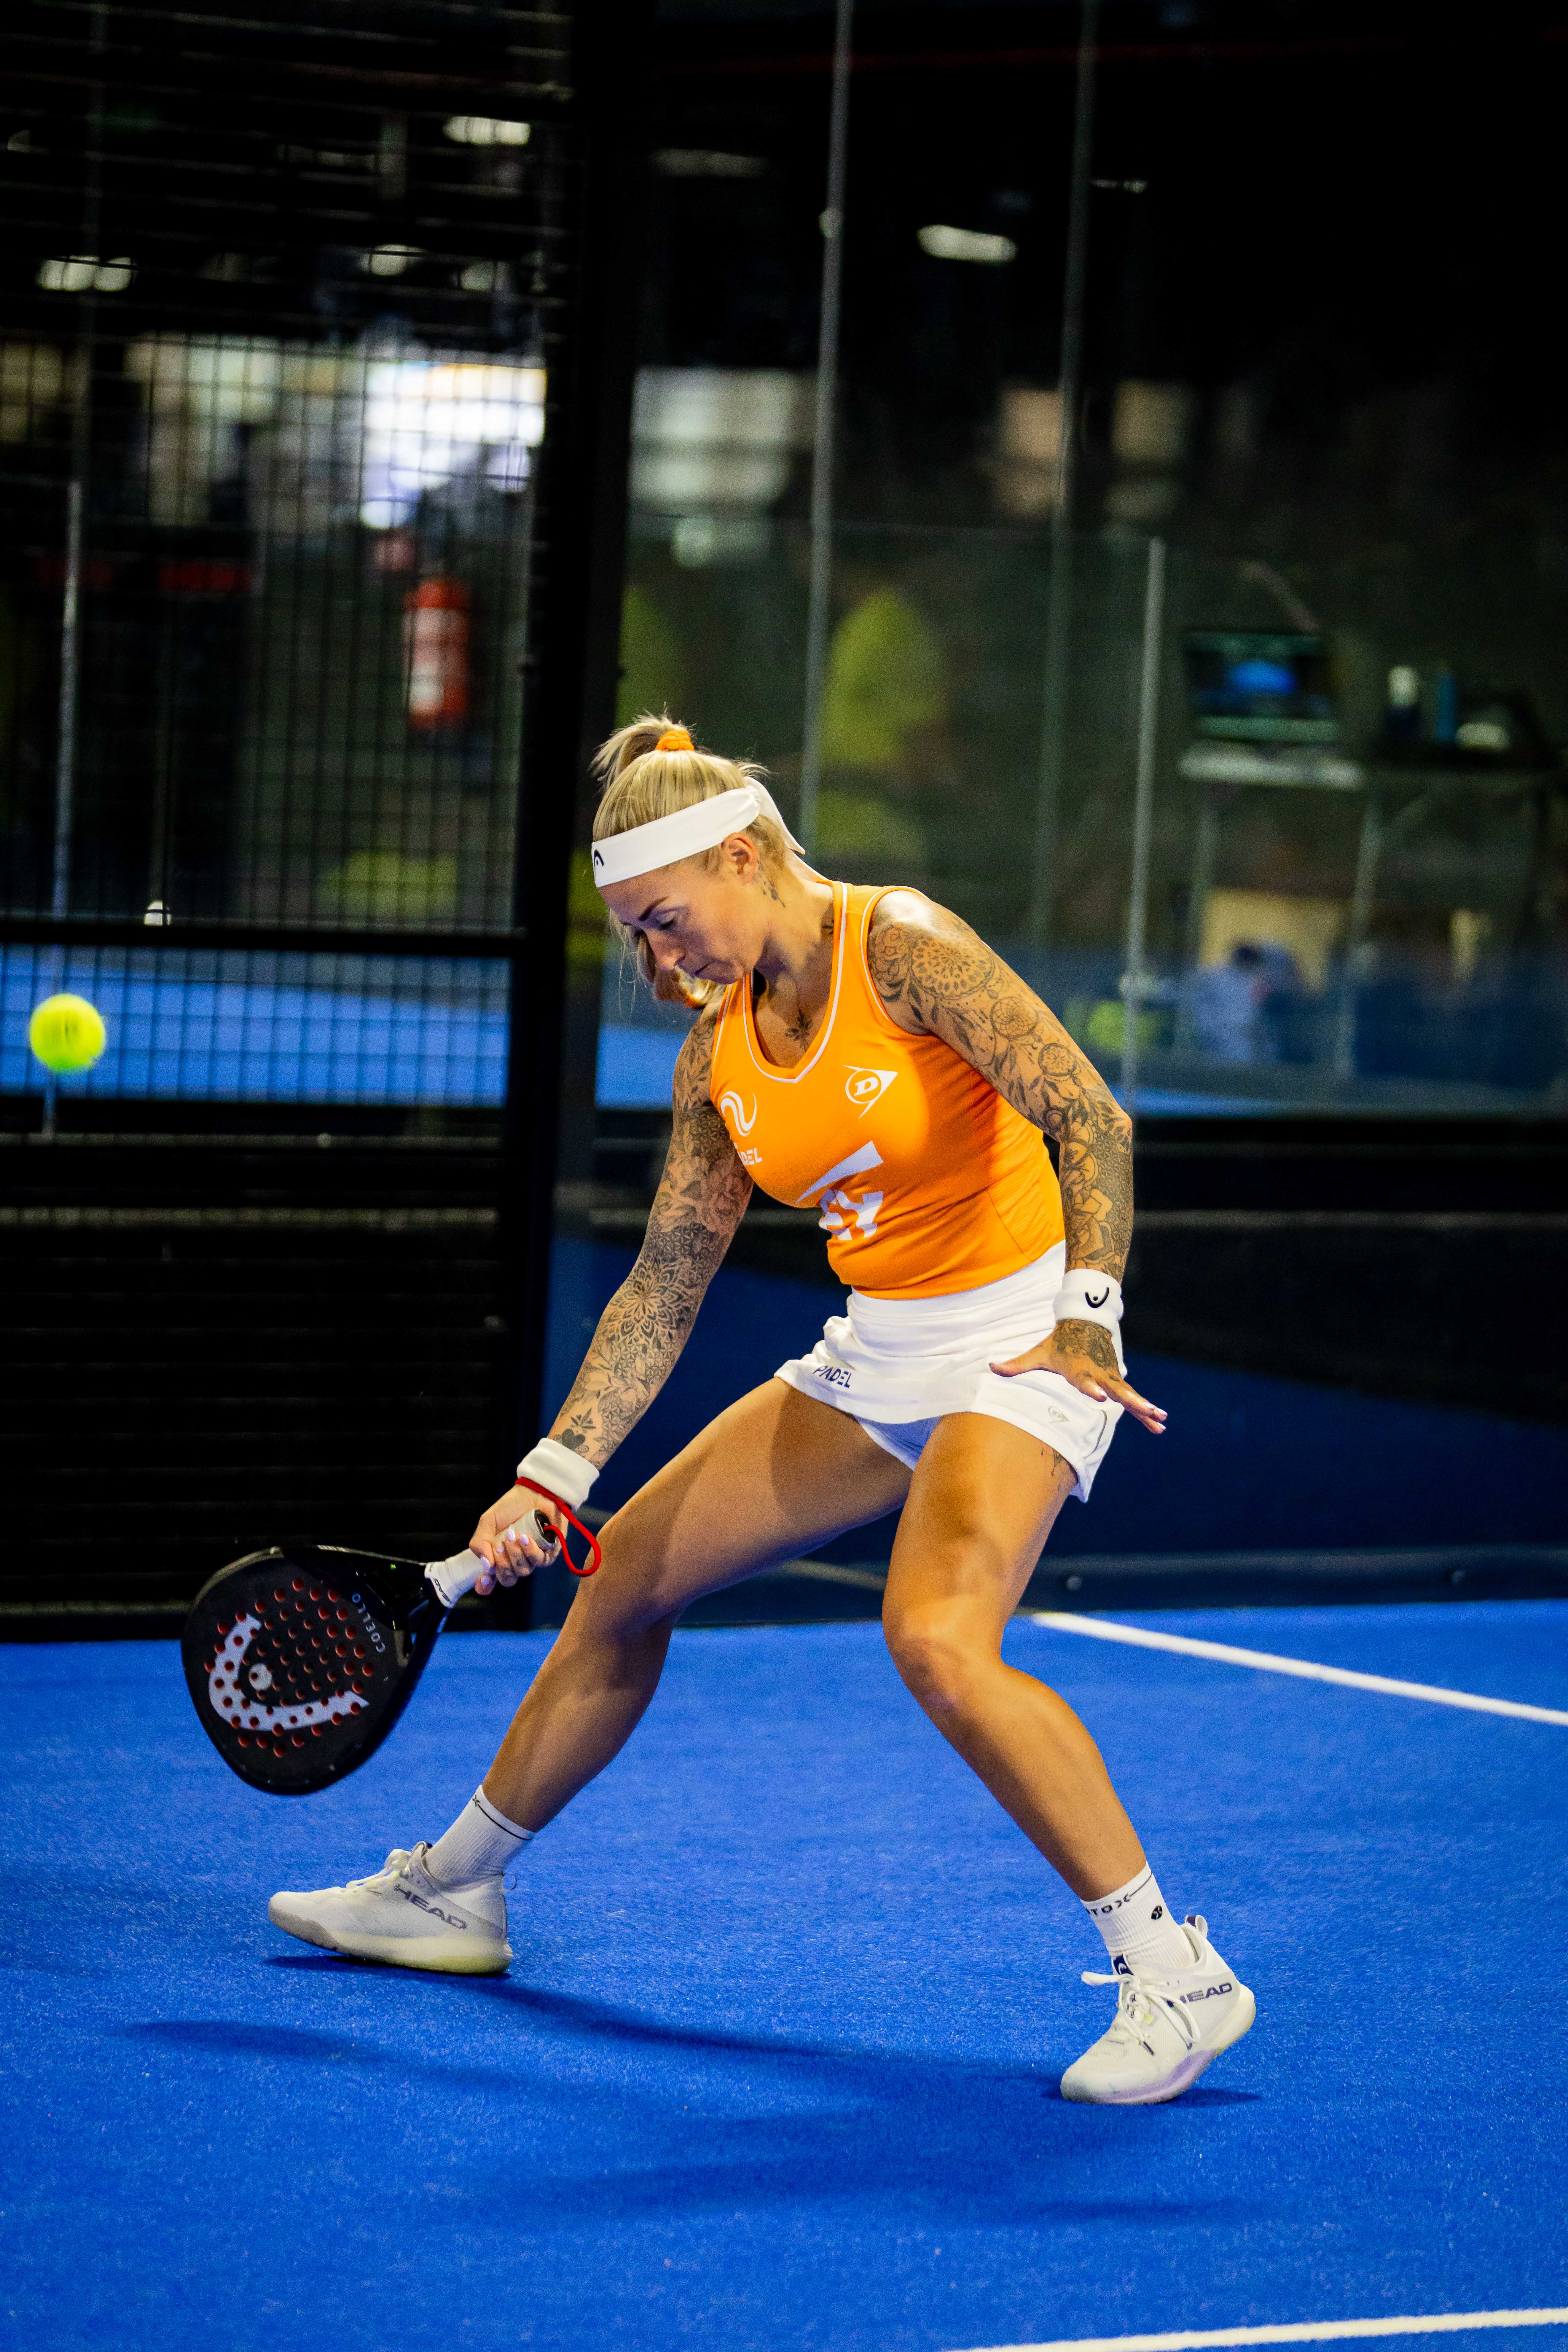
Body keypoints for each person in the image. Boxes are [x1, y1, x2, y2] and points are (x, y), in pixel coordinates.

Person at [268, 717, 1255, 2107]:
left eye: (667, 921)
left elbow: (1091, 1117)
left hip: (1025, 1338)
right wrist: (554, 1473)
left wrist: (1088, 1307)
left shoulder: (903, 946)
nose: (662, 961)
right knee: (621, 1584)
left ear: (742, 857)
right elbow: (665, 1284)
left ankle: (1176, 1972)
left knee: (937, 1640)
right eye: (634, 937)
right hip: (878, 1350)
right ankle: (454, 1893)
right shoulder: (713, 1059)